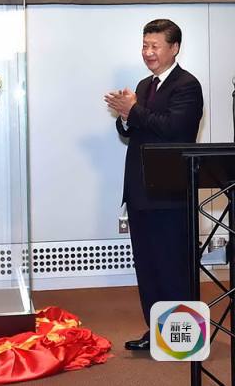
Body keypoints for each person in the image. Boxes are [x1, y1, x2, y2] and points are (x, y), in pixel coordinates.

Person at [104, 19, 203, 351]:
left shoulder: (187, 85)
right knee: (147, 267)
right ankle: (158, 332)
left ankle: (183, 339)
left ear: (174, 48)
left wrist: (133, 110)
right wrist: (125, 116)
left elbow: (175, 128)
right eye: (145, 45)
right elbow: (134, 131)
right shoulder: (144, 85)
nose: (148, 52)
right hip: (140, 190)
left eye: (155, 46)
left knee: (172, 266)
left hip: (170, 193)